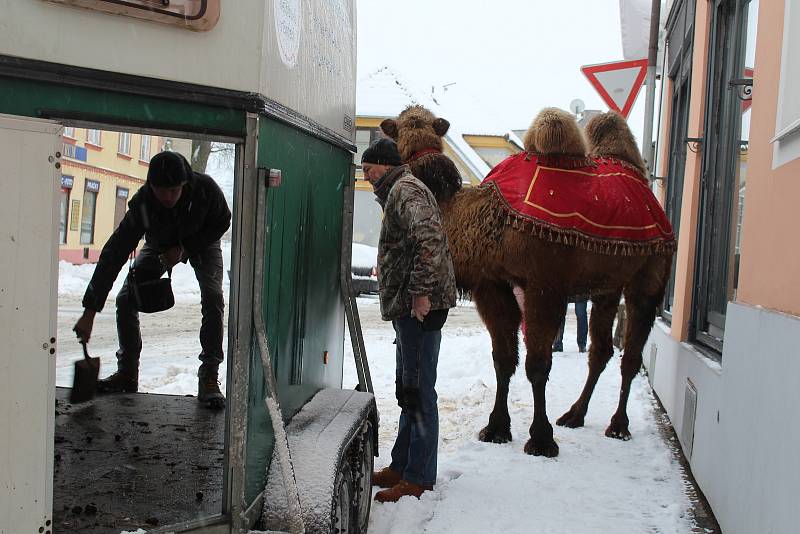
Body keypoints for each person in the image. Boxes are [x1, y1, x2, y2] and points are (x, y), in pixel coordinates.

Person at [72, 151, 231, 409]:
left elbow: (223, 220)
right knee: (125, 299)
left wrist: (185, 248)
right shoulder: (143, 205)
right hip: (158, 245)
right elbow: (114, 254)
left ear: (184, 185)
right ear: (150, 187)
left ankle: (209, 377)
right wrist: (89, 312)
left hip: (202, 241)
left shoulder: (205, 190)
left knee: (213, 297)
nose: (168, 197)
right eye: (161, 191)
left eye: (173, 191)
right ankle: (127, 373)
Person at [361, 138, 457, 503]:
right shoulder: (399, 190)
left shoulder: (405, 190)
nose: (366, 175)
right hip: (409, 307)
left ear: (385, 164)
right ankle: (401, 466)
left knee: (418, 392)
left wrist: (420, 293)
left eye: (368, 168)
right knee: (408, 389)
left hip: (420, 309)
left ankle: (418, 477)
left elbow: (429, 240)